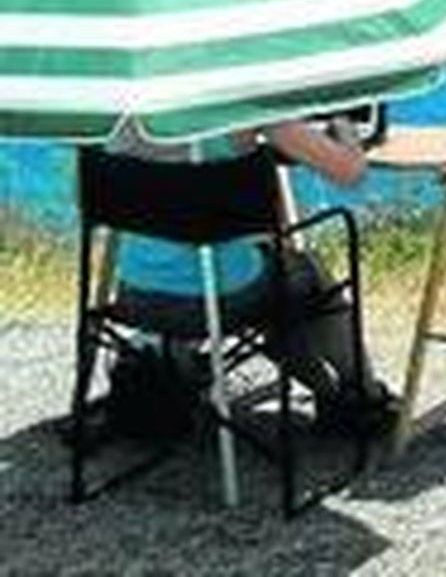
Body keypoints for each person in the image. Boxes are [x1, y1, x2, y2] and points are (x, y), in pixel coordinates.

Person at [113, 111, 395, 436]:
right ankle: (362, 396)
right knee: (305, 272)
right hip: (220, 300)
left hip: (134, 296)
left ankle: (331, 394)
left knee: (272, 272)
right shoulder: (245, 109)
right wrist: (345, 124)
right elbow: (350, 172)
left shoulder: (127, 115)